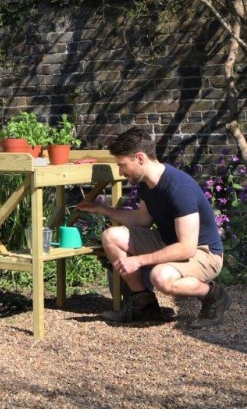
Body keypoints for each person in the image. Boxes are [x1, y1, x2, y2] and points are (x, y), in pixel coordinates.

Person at [77, 126, 230, 328]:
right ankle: (144, 304)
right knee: (112, 236)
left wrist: (139, 261)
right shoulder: (147, 183)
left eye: (123, 165)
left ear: (140, 158)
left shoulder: (178, 188)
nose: (121, 172)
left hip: (204, 253)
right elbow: (143, 220)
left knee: (161, 277)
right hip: (169, 242)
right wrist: (102, 209)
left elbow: (187, 248)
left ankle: (214, 296)